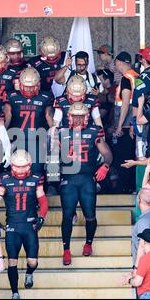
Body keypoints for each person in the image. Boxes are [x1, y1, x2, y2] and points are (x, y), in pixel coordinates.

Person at [53, 103, 112, 265]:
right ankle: (66, 250)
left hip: (87, 178)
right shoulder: (61, 132)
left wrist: (105, 166)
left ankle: (88, 243)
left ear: (87, 117)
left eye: (81, 117)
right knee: (67, 215)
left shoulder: (94, 131)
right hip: (69, 179)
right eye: (75, 117)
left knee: (90, 214)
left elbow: (107, 153)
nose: (78, 120)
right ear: (69, 117)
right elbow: (51, 154)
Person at [0, 151, 49, 299]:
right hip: (12, 226)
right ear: (12, 165)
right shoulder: (4, 179)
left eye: (24, 167)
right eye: (17, 167)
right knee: (12, 261)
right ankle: (15, 292)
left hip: (29, 225)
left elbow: (42, 200)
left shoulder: (36, 178)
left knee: (33, 262)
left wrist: (41, 217)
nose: (20, 170)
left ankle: (29, 273)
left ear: (29, 166)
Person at [5, 67, 53, 175]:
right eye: (26, 87)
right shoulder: (11, 96)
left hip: (37, 140)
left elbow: (49, 117)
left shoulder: (46, 96)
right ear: (20, 84)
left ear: (38, 85)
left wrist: (54, 138)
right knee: (16, 170)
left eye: (31, 87)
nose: (29, 90)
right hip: (16, 139)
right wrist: (3, 138)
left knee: (37, 171)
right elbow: (7, 117)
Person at [111, 51, 138, 193]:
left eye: (116, 63)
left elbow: (126, 104)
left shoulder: (126, 79)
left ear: (120, 63)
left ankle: (123, 188)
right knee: (131, 157)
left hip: (126, 126)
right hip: (134, 124)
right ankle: (131, 186)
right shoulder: (136, 76)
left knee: (124, 158)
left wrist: (119, 126)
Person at [121, 229, 150, 299]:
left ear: (143, 241)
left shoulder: (146, 259)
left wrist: (128, 280)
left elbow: (137, 282)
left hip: (148, 295)